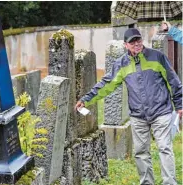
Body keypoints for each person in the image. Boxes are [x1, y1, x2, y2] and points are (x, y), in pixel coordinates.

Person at [75, 28, 182, 185]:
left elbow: (173, 81)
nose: (136, 44)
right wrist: (86, 99)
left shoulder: (157, 57)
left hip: (161, 111)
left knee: (165, 148)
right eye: (132, 42)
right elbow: (106, 85)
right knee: (140, 152)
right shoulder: (121, 64)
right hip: (138, 115)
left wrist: (179, 104)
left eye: (138, 40)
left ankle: (170, 183)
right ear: (125, 45)